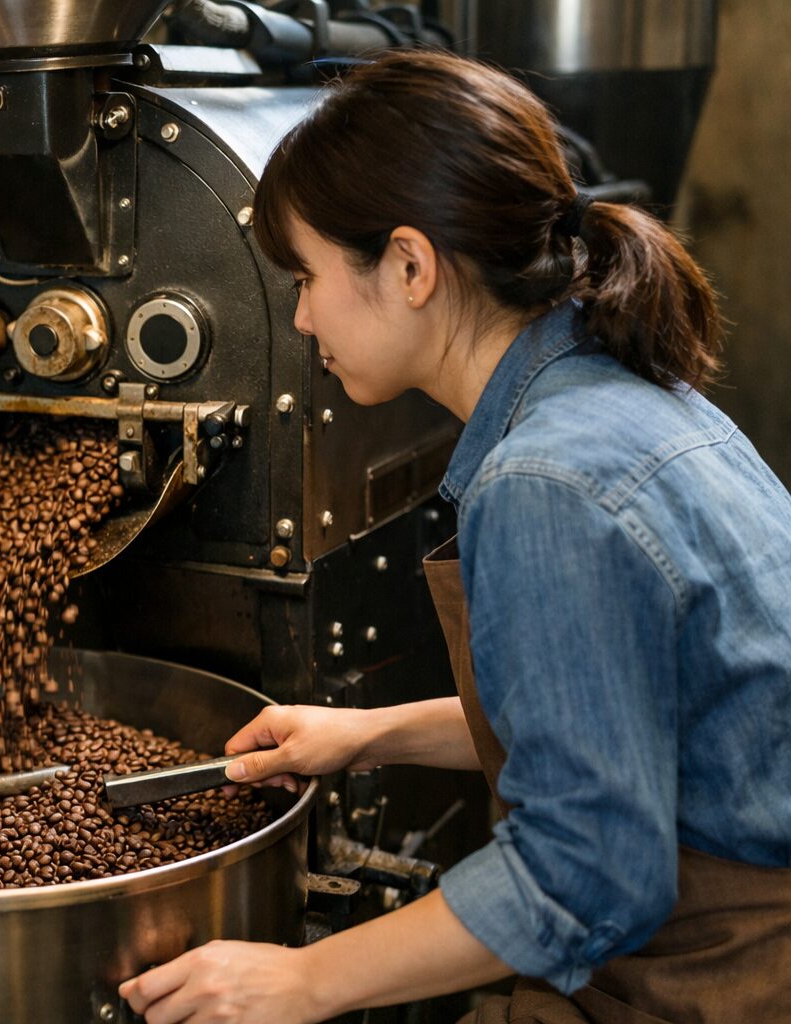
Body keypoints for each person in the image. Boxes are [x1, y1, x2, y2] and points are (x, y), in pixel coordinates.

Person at [120, 49, 791, 1024]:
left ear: (409, 264)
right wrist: (368, 733)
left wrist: (304, 979)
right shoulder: (611, 392)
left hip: (726, 978)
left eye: (305, 278)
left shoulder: (547, 480)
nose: (301, 318)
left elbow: (586, 873)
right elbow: (626, 718)